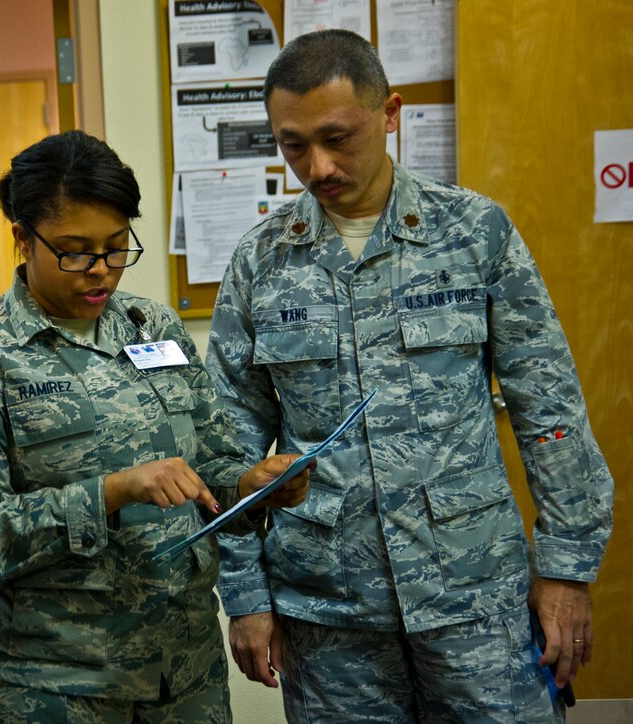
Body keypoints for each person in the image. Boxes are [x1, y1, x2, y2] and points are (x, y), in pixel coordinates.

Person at [207, 29, 614, 722]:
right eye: (293, 145)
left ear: (390, 113)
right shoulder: (260, 261)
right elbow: (228, 441)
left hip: (473, 595)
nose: (319, 164)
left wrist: (566, 569)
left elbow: (549, 408)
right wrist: (245, 597)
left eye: (339, 137)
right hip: (330, 610)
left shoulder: (474, 232)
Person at [0, 130, 310, 722]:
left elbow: (211, 465)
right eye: (75, 251)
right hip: (55, 684)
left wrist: (251, 487)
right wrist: (111, 492)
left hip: (185, 673)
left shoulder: (155, 328)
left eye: (117, 246)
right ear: (23, 238)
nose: (101, 272)